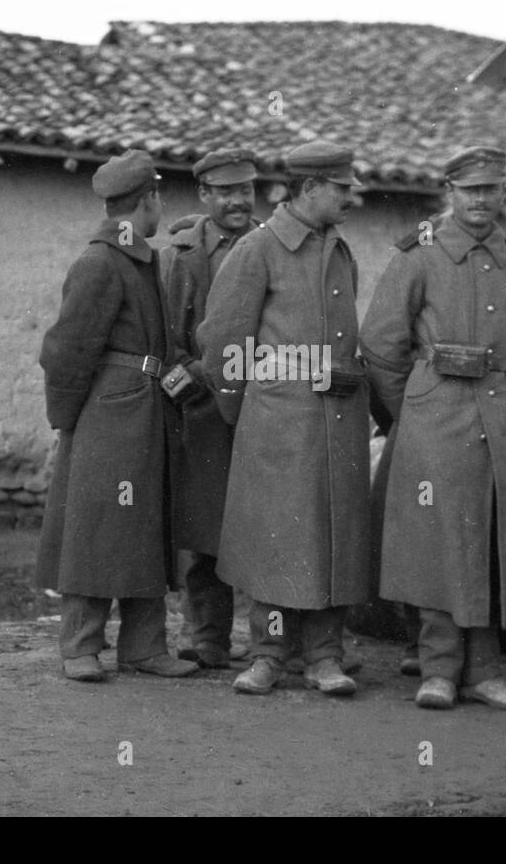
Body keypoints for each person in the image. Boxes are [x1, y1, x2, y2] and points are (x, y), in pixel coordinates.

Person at [361, 147, 506, 711]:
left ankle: (486, 671)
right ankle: (438, 669)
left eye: (492, 189)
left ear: (503, 195)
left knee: (495, 539)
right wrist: (412, 406)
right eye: (471, 190)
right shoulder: (420, 255)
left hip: (504, 418)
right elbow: (380, 343)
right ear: (450, 192)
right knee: (440, 539)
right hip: (435, 415)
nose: (482, 200)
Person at [198, 141, 371, 697]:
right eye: (342, 188)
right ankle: (268, 654)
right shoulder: (258, 249)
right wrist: (249, 411)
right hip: (279, 418)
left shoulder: (340, 250)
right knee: (276, 537)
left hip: (338, 417)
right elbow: (223, 342)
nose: (352, 197)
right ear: (310, 188)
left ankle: (324, 657)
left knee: (332, 535)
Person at [35, 150, 199, 683]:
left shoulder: (140, 257)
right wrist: (69, 421)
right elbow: (66, 350)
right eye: (159, 197)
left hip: (150, 409)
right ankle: (80, 645)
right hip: (107, 417)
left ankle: (144, 647)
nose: (161, 206)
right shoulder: (99, 262)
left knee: (147, 525)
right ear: (147, 200)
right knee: (97, 526)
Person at [161, 148, 261, 669]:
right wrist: (195, 376)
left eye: (245, 190)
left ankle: (276, 644)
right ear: (204, 195)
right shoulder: (182, 256)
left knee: (271, 529)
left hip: (264, 408)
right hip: (203, 409)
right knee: (204, 531)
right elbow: (169, 336)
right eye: (226, 193)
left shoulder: (272, 247)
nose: (238, 201)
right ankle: (208, 638)